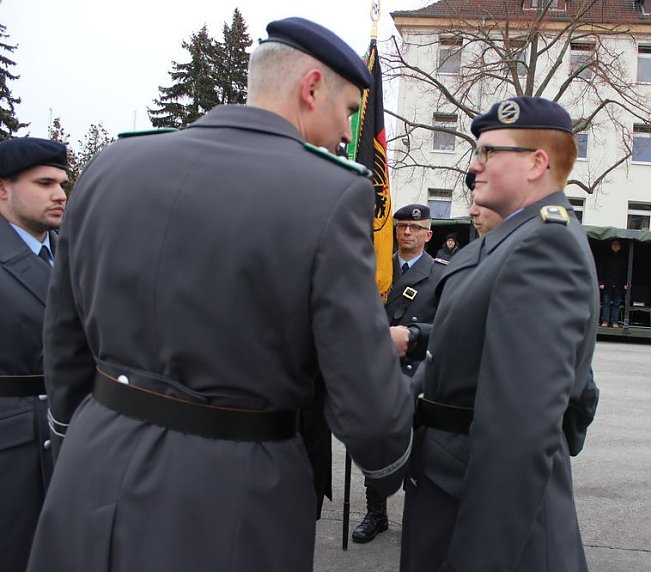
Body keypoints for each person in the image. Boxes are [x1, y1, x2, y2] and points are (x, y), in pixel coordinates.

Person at [27, 18, 414, 572]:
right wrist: (389, 461)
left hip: (93, 463)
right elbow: (364, 392)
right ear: (311, 88)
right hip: (233, 489)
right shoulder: (330, 191)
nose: (346, 133)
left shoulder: (113, 164)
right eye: (350, 110)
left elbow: (64, 340)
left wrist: (77, 436)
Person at [400, 96, 598, 571]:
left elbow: (519, 431)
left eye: (489, 152)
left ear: (537, 163)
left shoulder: (544, 245)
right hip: (451, 484)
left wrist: (478, 560)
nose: (474, 166)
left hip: (487, 518)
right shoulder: (513, 239)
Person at [352, 203, 445, 544]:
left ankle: (417, 518)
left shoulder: (441, 275)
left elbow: (446, 326)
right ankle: (376, 514)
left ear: (428, 234)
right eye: (402, 226)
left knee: (420, 452)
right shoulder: (378, 269)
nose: (407, 232)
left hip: (418, 374)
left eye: (415, 228)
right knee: (377, 443)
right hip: (379, 373)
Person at [0, 137, 68, 572]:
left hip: (69, 434)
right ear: (2, 188)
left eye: (62, 183)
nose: (60, 194)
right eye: (44, 184)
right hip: (11, 447)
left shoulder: (73, 250)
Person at [598, 239, 628, 328]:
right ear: (611, 245)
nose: (615, 246)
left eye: (617, 244)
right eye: (614, 244)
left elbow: (626, 271)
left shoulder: (624, 257)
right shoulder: (606, 256)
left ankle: (614, 322)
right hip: (607, 283)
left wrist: (626, 283)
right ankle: (605, 321)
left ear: (620, 246)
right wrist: (601, 282)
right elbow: (601, 269)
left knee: (616, 303)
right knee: (606, 303)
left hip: (619, 284)